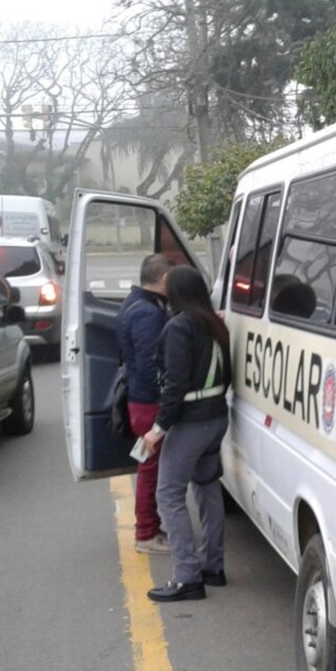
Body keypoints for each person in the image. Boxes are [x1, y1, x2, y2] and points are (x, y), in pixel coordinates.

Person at [141, 265, 232, 602]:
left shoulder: (179, 326)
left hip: (191, 421)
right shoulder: (215, 323)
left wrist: (158, 428)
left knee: (168, 494)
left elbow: (175, 383)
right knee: (208, 488)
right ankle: (213, 566)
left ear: (176, 292)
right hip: (216, 416)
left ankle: (187, 576)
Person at [118, 254, 173, 555]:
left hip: (139, 400)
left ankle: (150, 527)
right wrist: (167, 403)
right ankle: (147, 534)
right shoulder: (148, 314)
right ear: (164, 279)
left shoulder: (134, 303)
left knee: (147, 466)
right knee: (150, 469)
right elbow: (150, 365)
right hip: (148, 403)